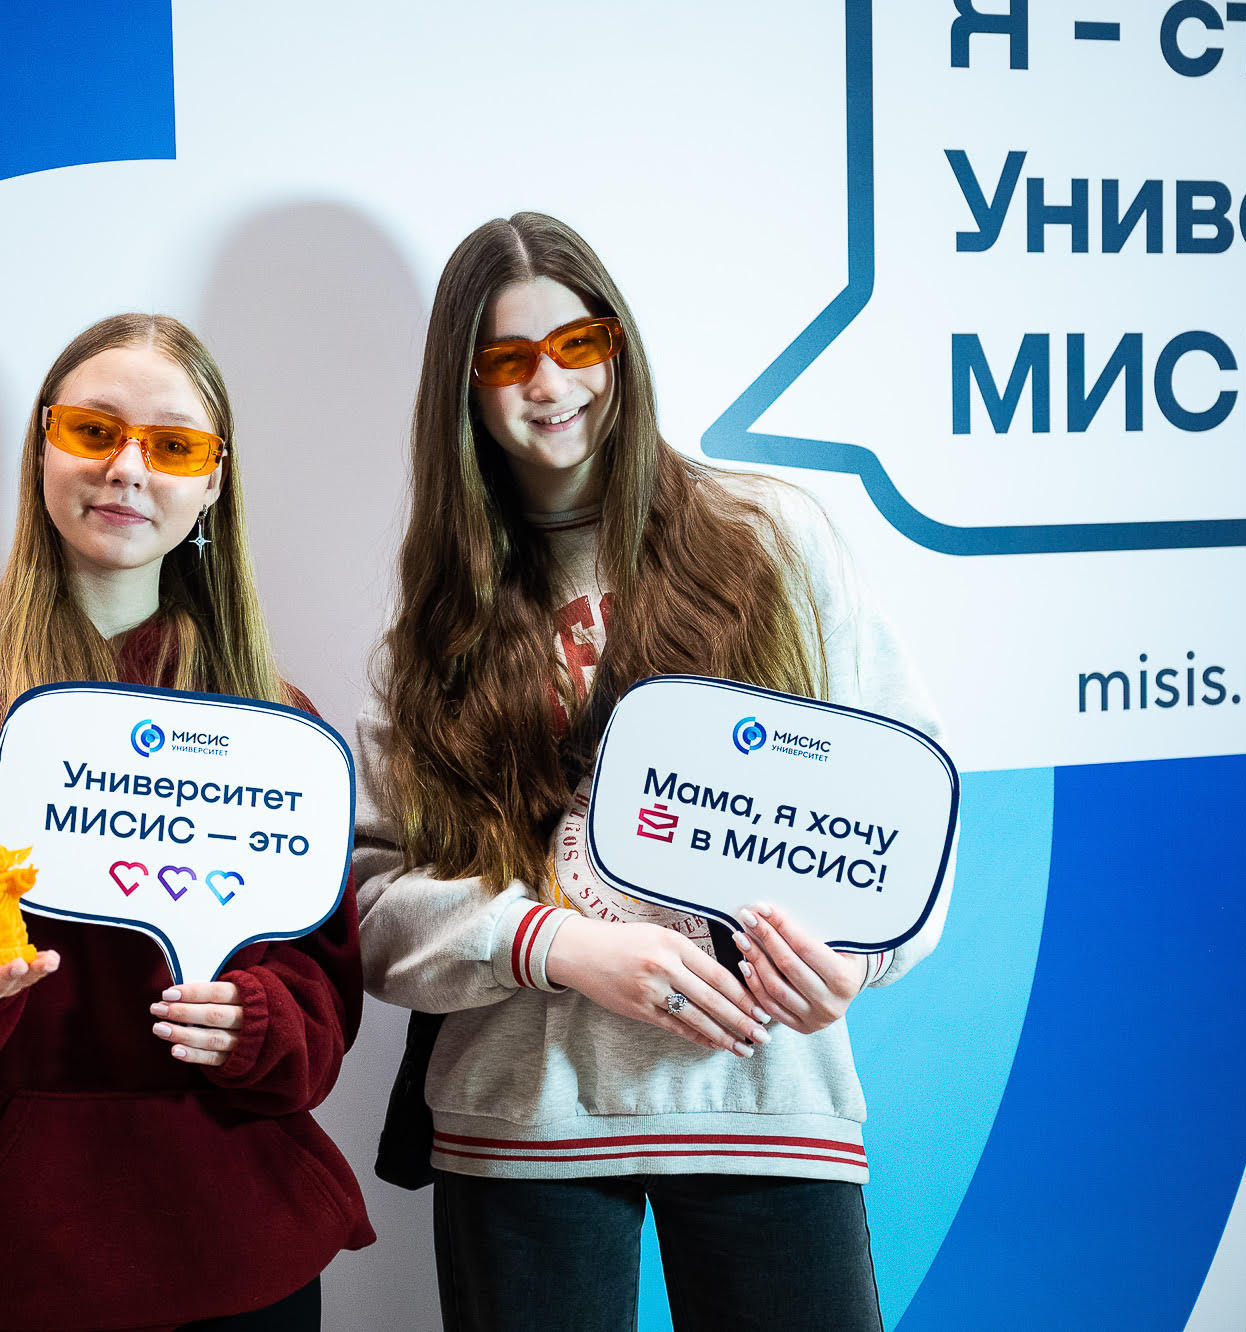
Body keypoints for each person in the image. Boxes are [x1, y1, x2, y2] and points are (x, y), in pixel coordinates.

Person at [355, 213, 950, 1331]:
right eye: (507, 359)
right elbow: (377, 908)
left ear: (619, 347)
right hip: (523, 1117)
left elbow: (905, 795)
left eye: (578, 344)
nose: (550, 384)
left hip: (761, 1095)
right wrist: (561, 948)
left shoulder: (768, 541)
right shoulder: (433, 628)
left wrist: (858, 957)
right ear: (463, 387)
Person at [0, 313, 372, 1332]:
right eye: (93, 431)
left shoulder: (276, 724)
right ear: (43, 447)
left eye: (173, 445)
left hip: (239, 1248)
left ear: (214, 482)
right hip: (0, 1258)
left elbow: (322, 1001)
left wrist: (258, 1024)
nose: (127, 470)